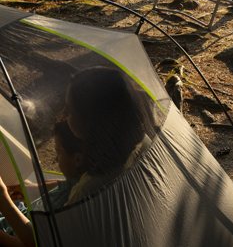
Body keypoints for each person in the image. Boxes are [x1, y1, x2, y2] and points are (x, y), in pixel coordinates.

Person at [64, 66, 155, 205]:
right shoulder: (144, 142)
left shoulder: (87, 192)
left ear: (91, 121)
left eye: (69, 110)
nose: (64, 114)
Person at [0, 116, 85, 247]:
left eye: (59, 152)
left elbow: (34, 243)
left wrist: (3, 198)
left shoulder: (76, 207)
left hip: (14, 233)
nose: (55, 159)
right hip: (26, 213)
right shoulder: (86, 179)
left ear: (77, 160)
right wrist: (35, 188)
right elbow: (66, 185)